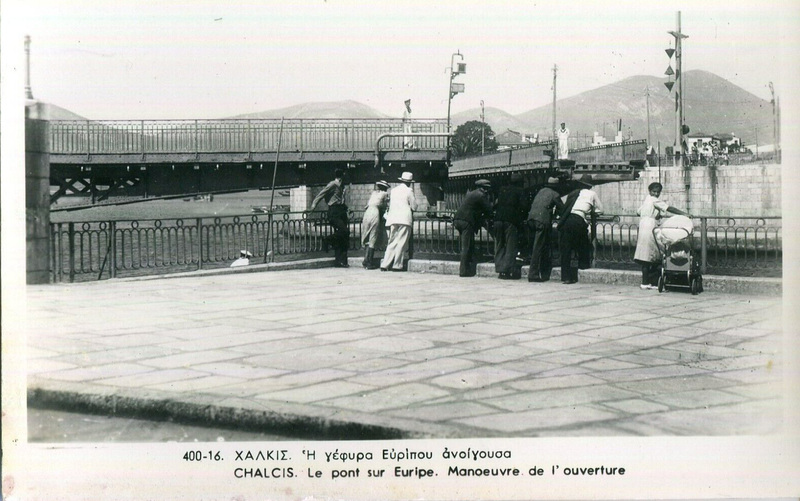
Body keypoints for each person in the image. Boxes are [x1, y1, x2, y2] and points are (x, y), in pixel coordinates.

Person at [634, 182, 689, 289]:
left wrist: (653, 213)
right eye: (654, 191)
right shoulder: (654, 200)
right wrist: (684, 214)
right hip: (650, 226)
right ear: (650, 191)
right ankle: (652, 281)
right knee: (654, 254)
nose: (656, 194)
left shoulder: (647, 199)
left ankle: (645, 282)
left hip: (643, 225)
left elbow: (638, 212)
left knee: (644, 255)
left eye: (658, 192)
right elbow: (669, 208)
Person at [557, 175, 602, 284]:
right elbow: (601, 209)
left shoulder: (574, 193)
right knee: (583, 242)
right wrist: (592, 212)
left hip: (568, 219)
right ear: (590, 186)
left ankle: (566, 277)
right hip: (578, 219)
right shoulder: (592, 194)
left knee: (566, 249)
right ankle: (583, 264)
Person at [309, 168, 350, 268]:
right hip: (334, 211)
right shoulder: (332, 184)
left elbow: (342, 199)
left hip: (341, 211)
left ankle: (341, 261)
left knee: (344, 237)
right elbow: (321, 194)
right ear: (341, 177)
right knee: (344, 231)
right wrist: (313, 206)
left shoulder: (342, 186)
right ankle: (327, 240)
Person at [526, 178, 564, 282]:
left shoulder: (541, 191)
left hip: (531, 219)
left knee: (536, 245)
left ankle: (542, 268)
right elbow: (562, 209)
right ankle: (533, 274)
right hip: (541, 221)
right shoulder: (555, 194)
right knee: (538, 247)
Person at [453, 179, 493, 277]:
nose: (487, 191)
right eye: (486, 188)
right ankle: (463, 271)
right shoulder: (481, 195)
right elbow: (488, 209)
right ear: (482, 188)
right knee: (467, 246)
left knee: (464, 245)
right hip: (467, 221)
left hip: (458, 219)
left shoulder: (470, 193)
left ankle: (466, 268)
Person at [493, 173, 527, 279]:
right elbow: (524, 206)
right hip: (511, 220)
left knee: (499, 244)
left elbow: (496, 204)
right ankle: (506, 270)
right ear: (520, 182)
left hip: (498, 219)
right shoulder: (520, 191)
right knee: (510, 245)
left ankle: (499, 269)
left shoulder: (502, 189)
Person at [380, 172, 416, 271]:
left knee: (392, 242)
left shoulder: (394, 190)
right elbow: (414, 206)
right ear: (409, 182)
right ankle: (397, 265)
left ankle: (385, 264)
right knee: (401, 243)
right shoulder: (409, 190)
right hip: (404, 219)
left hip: (393, 218)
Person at [361, 180, 390, 269]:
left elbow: (367, 205)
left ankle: (365, 259)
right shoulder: (385, 194)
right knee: (373, 236)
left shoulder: (373, 194)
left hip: (367, 213)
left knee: (366, 235)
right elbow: (385, 206)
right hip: (375, 213)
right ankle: (369, 261)